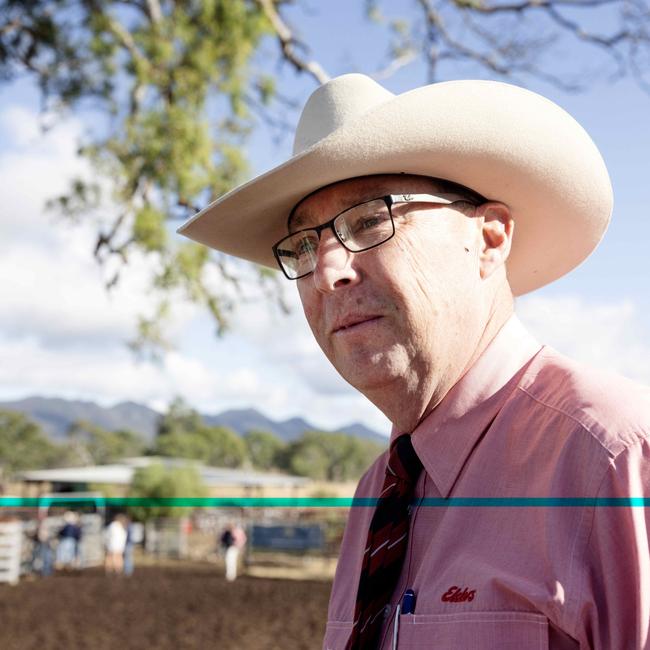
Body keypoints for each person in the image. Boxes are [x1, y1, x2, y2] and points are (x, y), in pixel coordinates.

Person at [178, 74, 650, 649]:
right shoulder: (377, 495)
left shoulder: (615, 458)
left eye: (370, 220)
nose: (327, 272)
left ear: (490, 239)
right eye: (303, 246)